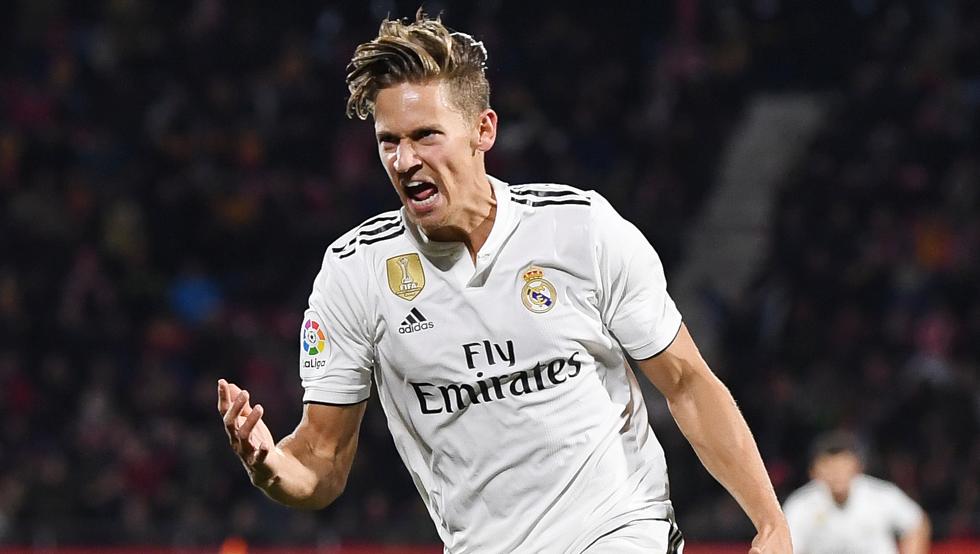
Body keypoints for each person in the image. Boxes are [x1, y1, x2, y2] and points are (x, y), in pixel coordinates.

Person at [217, 11, 791, 553]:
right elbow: (321, 460)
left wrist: (769, 521)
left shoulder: (580, 230)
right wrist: (269, 465)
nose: (403, 159)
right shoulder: (356, 275)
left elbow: (687, 381)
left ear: (482, 130)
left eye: (425, 135)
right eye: (388, 141)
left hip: (619, 531)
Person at [783, 431, 931, 554]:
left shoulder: (879, 494)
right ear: (814, 471)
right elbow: (786, 546)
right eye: (830, 467)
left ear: (857, 467)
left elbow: (916, 523)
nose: (837, 473)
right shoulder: (801, 505)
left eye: (843, 465)